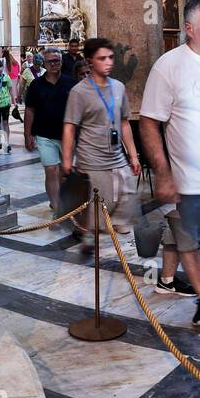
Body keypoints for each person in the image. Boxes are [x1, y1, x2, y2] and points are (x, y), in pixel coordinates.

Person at [139, 0, 200, 324]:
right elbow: (149, 122)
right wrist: (162, 173)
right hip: (186, 180)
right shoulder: (168, 66)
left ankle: (168, 279)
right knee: (187, 239)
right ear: (190, 29)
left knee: (183, 238)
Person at [61, 36, 141, 253]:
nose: (109, 62)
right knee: (100, 204)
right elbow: (69, 127)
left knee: (128, 194)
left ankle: (93, 231)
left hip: (116, 155)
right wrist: (67, 160)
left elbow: (124, 122)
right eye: (102, 58)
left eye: (111, 57)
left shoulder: (118, 88)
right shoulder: (79, 92)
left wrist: (133, 155)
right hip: (92, 158)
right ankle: (89, 236)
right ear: (89, 61)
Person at [24, 49, 75, 213]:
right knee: (51, 169)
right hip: (44, 135)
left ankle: (63, 199)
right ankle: (56, 204)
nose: (54, 64)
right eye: (50, 61)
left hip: (66, 136)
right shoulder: (36, 85)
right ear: (44, 64)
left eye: (57, 60)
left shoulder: (70, 83)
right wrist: (27, 135)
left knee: (64, 171)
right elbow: (30, 110)